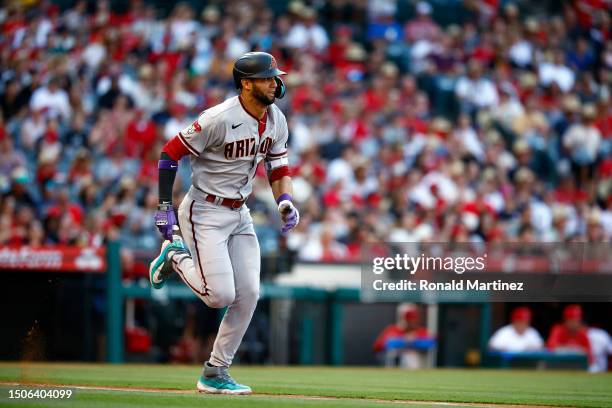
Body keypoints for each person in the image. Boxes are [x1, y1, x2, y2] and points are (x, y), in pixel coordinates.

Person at [148, 52, 299, 394]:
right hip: (205, 210)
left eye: (275, 77)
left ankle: (215, 371)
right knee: (220, 296)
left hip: (240, 212)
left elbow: (278, 168)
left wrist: (285, 200)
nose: (275, 83)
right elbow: (169, 153)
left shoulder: (276, 119)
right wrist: (164, 207)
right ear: (246, 84)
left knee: (249, 294)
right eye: (266, 78)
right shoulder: (218, 117)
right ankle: (173, 255)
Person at [373, 303, 435, 369]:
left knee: (411, 355)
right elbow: (384, 345)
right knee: (400, 354)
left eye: (412, 317)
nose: (409, 321)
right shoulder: (392, 329)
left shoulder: (421, 331)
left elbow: (430, 343)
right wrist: (405, 340)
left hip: (418, 362)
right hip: (392, 361)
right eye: (407, 318)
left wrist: (414, 340)